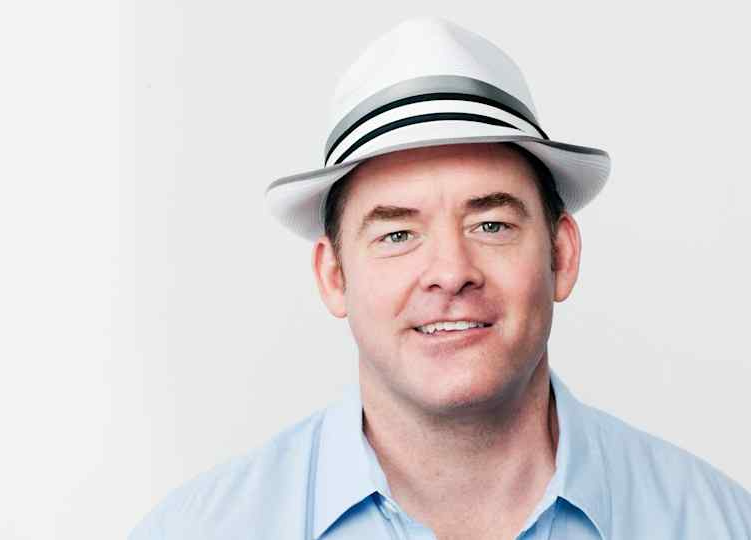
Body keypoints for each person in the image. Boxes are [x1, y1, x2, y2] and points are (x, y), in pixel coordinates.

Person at [129, 16, 751, 539]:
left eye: (491, 225)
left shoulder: (717, 523)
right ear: (333, 276)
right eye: (398, 235)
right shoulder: (197, 530)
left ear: (561, 255)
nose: (451, 273)